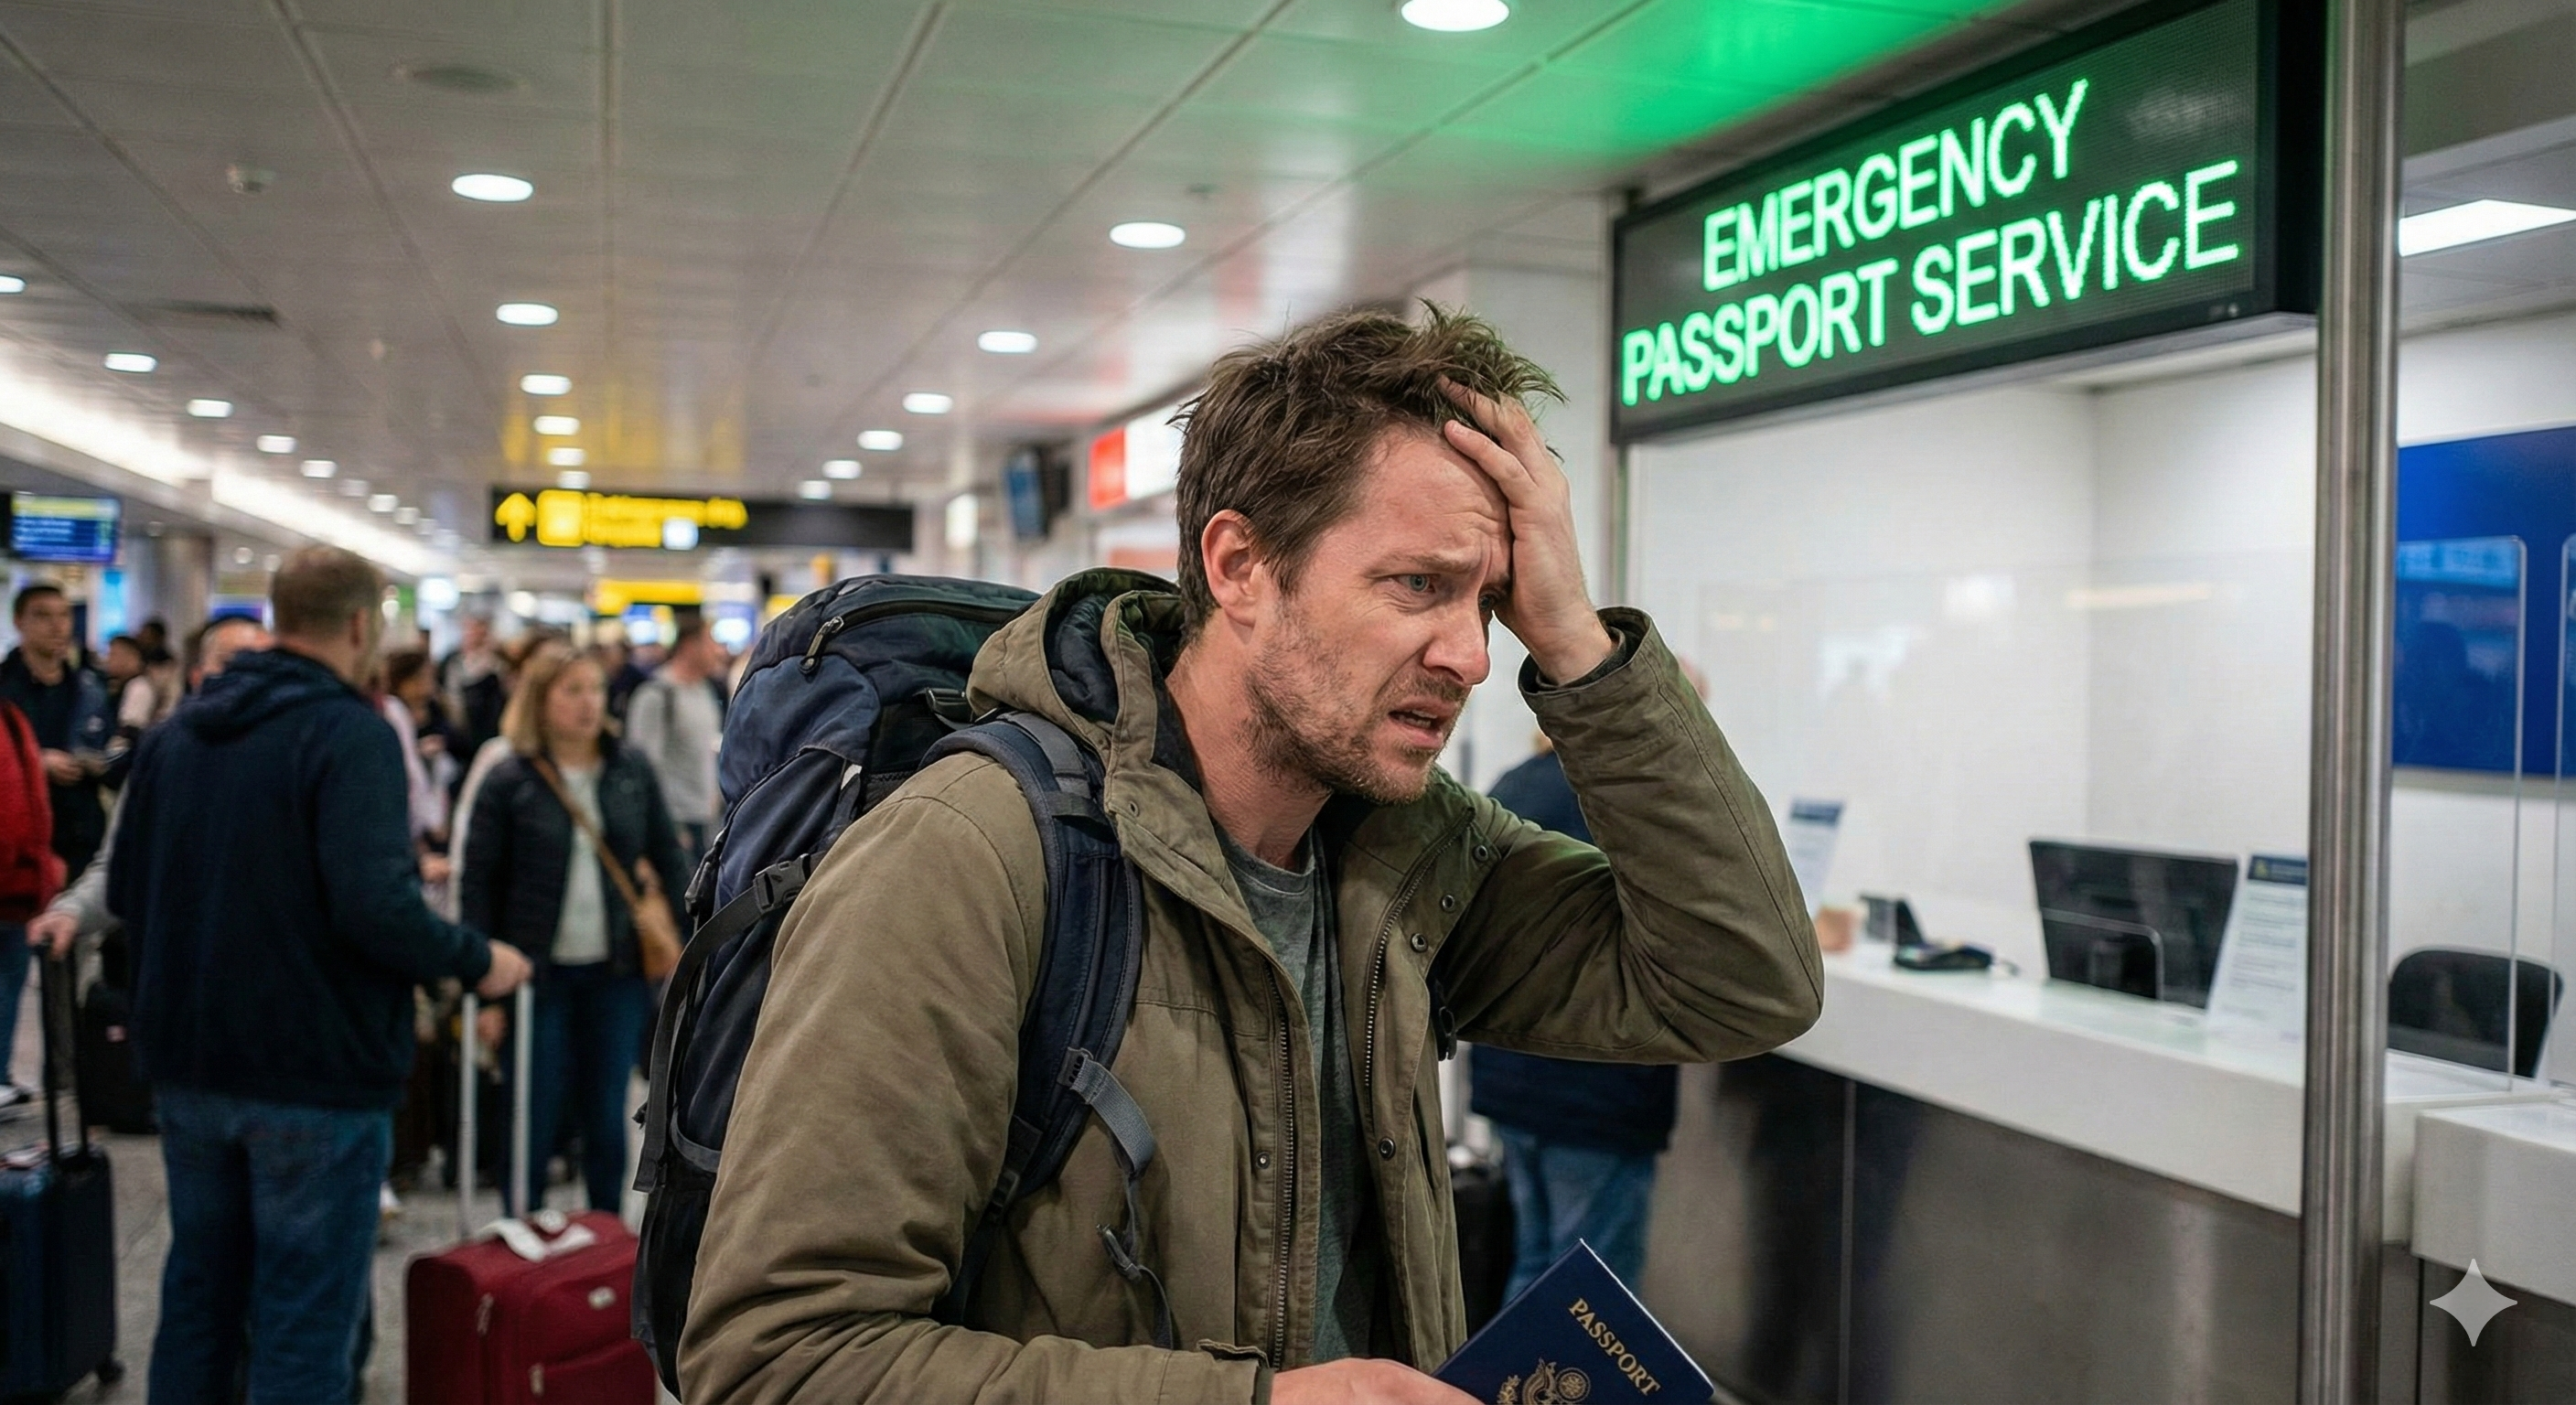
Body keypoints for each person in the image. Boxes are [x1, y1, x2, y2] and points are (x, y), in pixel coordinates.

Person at [681, 306, 1822, 1404]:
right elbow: (780, 1359)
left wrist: (1576, 638)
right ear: (1238, 567)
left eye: (1491, 599)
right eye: (1415, 585)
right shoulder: (973, 858)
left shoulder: (1409, 861)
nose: (1473, 655)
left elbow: (1740, 980)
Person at [109, 548, 531, 1403]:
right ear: (358, 626)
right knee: (304, 1314)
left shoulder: (176, 734)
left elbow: (125, 890)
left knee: (200, 1296)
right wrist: (479, 959)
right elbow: (374, 906)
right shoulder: (350, 734)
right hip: (314, 1072)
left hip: (189, 1064)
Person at [460, 641, 686, 1215]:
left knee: (607, 1117)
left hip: (615, 974)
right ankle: (522, 1237)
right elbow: (478, 885)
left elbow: (670, 857)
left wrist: (692, 945)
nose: (589, 704)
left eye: (595, 689)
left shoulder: (629, 768)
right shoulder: (509, 779)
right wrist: (478, 983)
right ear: (540, 700)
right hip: (534, 977)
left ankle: (603, 1246)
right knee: (530, 1117)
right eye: (573, 691)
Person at [1467, 730, 1679, 1299]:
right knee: (1593, 1300)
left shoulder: (1514, 784)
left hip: (1511, 1075)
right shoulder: (1631, 798)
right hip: (1598, 1084)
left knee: (1535, 1266)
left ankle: (1510, 1386)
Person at [26, 616, 271, 969]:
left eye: (264, 664)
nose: (249, 677)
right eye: (232, 662)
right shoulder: (165, 758)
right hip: (178, 975)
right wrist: (72, 912)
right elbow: (121, 868)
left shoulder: (305, 761)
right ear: (198, 676)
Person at [0, 584, 111, 1112]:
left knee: (69, 968)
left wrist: (92, 764)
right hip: (16, 853)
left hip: (78, 841)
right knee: (12, 967)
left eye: (64, 616)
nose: (57, 626)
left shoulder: (90, 688)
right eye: (43, 616)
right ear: (20, 623)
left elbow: (113, 754)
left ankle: (64, 1083)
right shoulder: (4, 688)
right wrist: (35, 762)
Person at [621, 616, 727, 868]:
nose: (718, 650)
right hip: (673, 823)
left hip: (704, 820)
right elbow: (643, 766)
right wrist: (665, 826)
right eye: (711, 641)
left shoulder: (704, 692)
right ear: (690, 646)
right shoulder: (656, 695)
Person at [439, 612, 506, 756]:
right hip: (456, 728)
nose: (475, 635)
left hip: (484, 728)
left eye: (481, 632)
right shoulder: (451, 661)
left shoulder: (496, 665)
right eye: (471, 630)